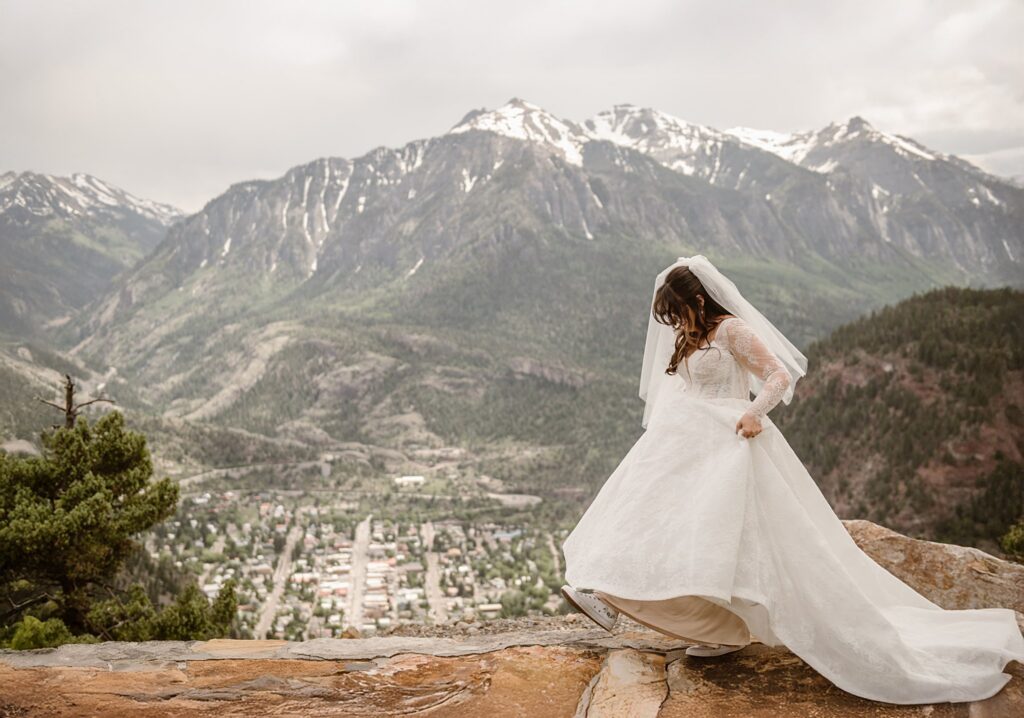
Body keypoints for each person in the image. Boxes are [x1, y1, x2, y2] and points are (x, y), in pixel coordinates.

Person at [560, 254, 1024, 704]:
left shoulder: (732, 330)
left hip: (728, 437)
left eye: (679, 310)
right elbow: (684, 385)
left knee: (727, 539)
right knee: (649, 511)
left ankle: (724, 630)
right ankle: (610, 592)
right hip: (684, 438)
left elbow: (778, 376)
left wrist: (753, 413)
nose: (675, 321)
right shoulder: (691, 332)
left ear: (699, 300)